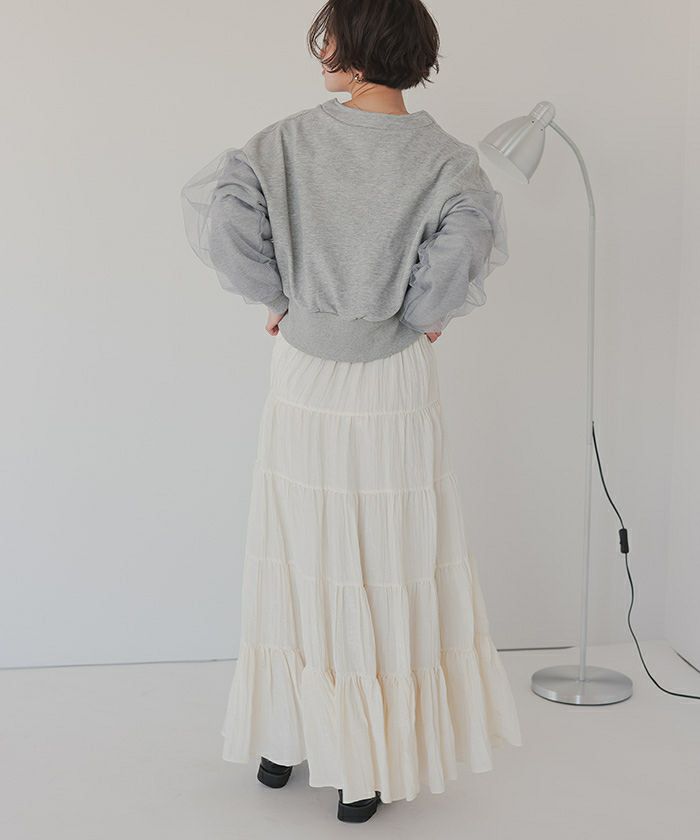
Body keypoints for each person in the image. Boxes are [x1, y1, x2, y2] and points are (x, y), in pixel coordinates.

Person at [180, 0, 522, 823]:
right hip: (391, 380)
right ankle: (360, 766)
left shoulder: (283, 142)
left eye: (329, 36)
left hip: (304, 373)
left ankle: (284, 737)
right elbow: (460, 256)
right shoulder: (450, 163)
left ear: (360, 46)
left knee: (300, 549)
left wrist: (283, 301)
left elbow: (224, 220)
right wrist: (421, 312)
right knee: (383, 557)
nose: (322, 49)